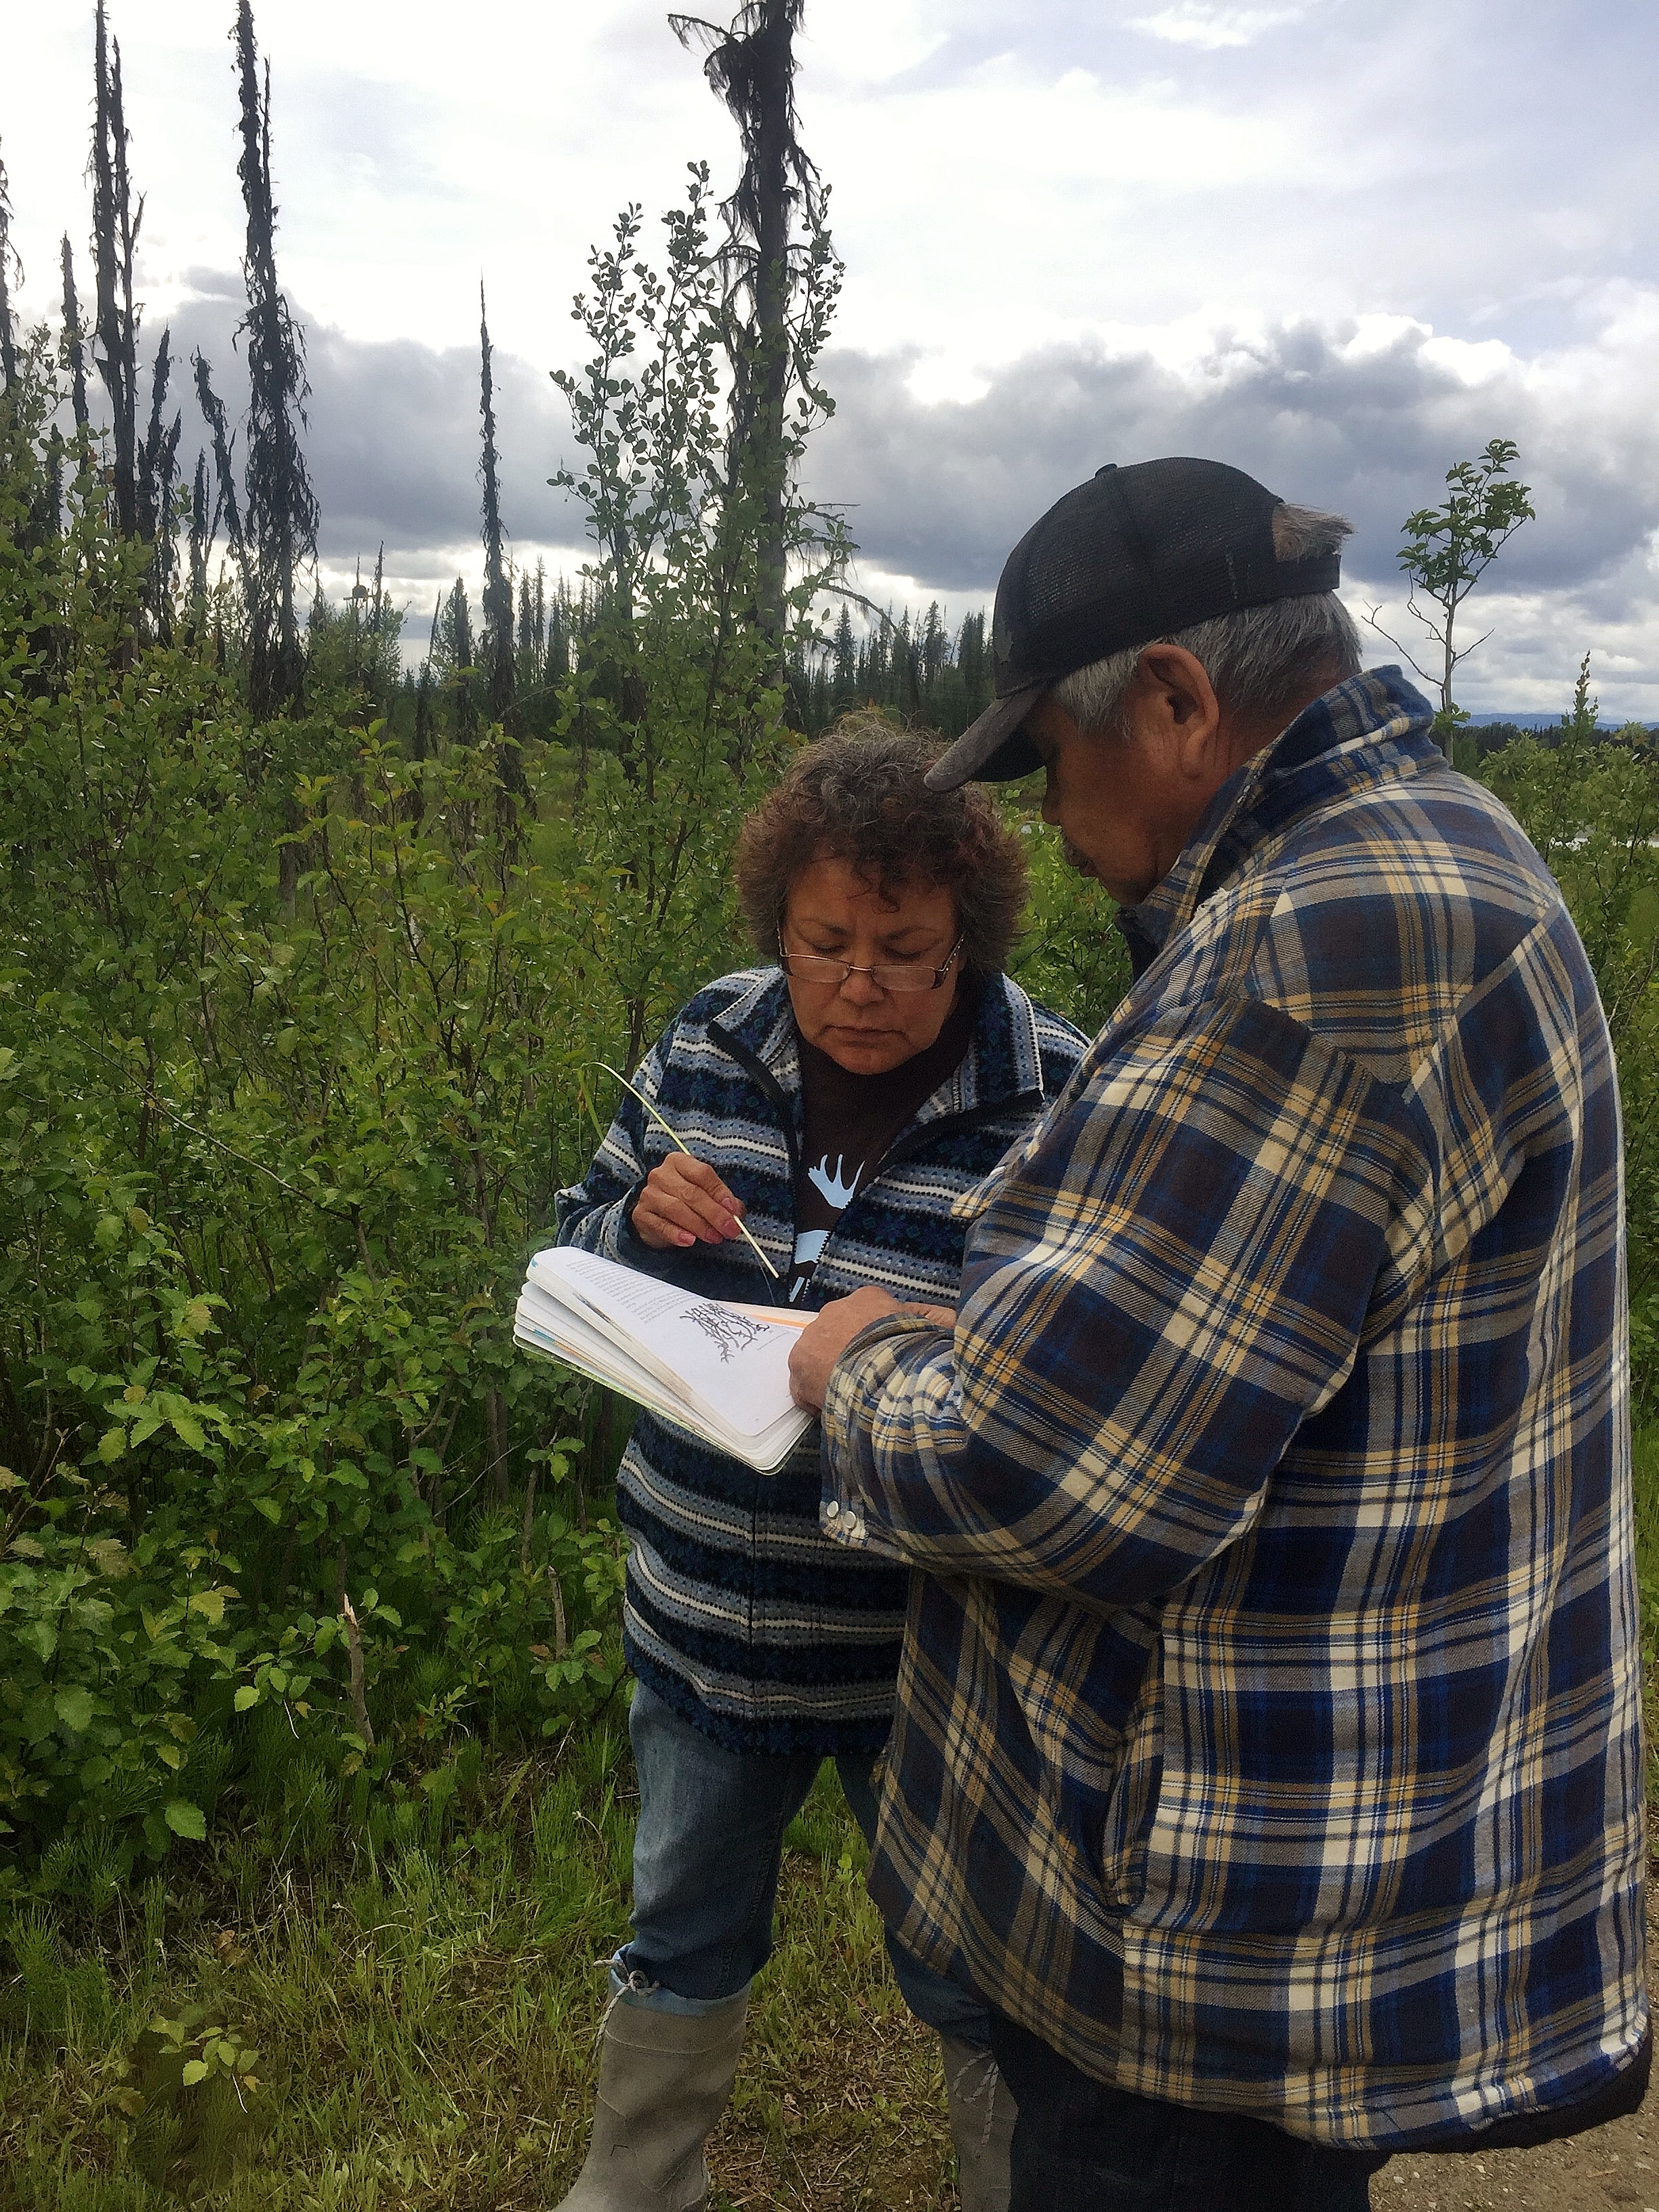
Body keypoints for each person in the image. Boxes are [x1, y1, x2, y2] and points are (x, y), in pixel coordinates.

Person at [788, 459, 1649, 2212]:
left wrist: (849, 1367)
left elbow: (1046, 1470)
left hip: (1214, 1935)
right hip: (1321, 1849)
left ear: (1177, 700)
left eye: (1050, 757)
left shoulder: (1314, 949)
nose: (1042, 813)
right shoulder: (1438, 842)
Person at [551, 720, 1088, 2212]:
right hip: (701, 1621)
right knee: (681, 1928)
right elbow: (576, 1239)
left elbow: (1071, 1373)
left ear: (967, 938)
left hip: (928, 1657)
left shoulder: (1056, 1091)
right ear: (776, 925)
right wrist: (631, 1223)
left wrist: (915, 1340)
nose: (858, 984)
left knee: (973, 1966)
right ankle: (635, 2186)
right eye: (823, 944)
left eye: (904, 951)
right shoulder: (710, 1041)